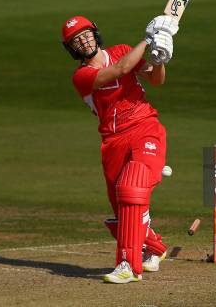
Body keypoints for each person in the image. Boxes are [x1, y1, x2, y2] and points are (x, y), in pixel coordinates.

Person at [61, 15, 178, 284]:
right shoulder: (82, 76)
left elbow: (156, 80)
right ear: (72, 49)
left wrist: (160, 59)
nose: (83, 41)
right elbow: (120, 70)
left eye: (86, 34)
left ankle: (128, 265)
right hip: (113, 141)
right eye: (76, 40)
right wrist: (148, 40)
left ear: (95, 33)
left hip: (144, 126)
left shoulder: (123, 50)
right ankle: (155, 249)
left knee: (131, 188)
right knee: (121, 213)